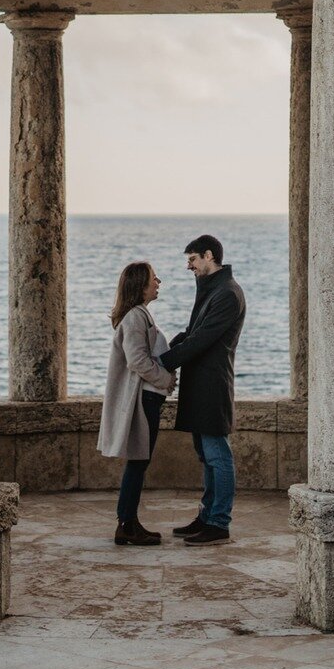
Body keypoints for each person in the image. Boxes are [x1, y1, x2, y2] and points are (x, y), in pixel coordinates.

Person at [160, 234, 246, 546]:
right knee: (206, 456)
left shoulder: (227, 294)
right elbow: (192, 333)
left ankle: (219, 523)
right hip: (201, 385)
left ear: (208, 256)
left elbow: (202, 339)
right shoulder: (215, 291)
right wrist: (173, 344)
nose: (189, 266)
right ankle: (206, 516)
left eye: (193, 260)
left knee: (217, 455)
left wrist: (164, 361)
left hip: (212, 386)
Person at [97, 260, 176, 546]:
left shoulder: (139, 315)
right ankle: (127, 524)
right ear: (141, 286)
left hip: (146, 397)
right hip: (144, 399)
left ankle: (128, 522)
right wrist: (165, 380)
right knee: (138, 462)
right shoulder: (135, 317)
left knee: (139, 462)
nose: (158, 283)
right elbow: (138, 361)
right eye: (154, 279)